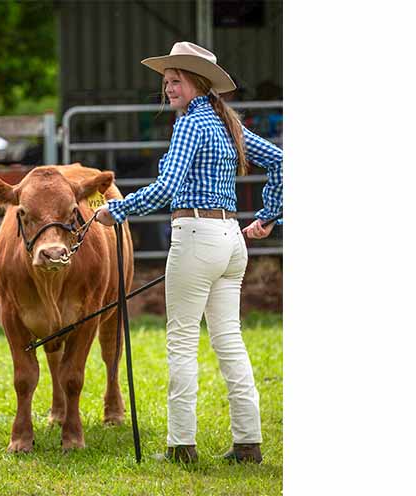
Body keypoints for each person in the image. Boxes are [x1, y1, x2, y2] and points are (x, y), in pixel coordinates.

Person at [94, 41, 282, 464]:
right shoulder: (226, 123)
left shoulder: (190, 126)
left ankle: (182, 445)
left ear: (198, 82)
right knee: (229, 341)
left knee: (181, 341)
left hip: (196, 236)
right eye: (166, 80)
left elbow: (168, 187)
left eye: (176, 79)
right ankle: (248, 443)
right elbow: (283, 161)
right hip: (231, 238)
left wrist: (117, 211)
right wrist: (269, 215)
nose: (168, 87)